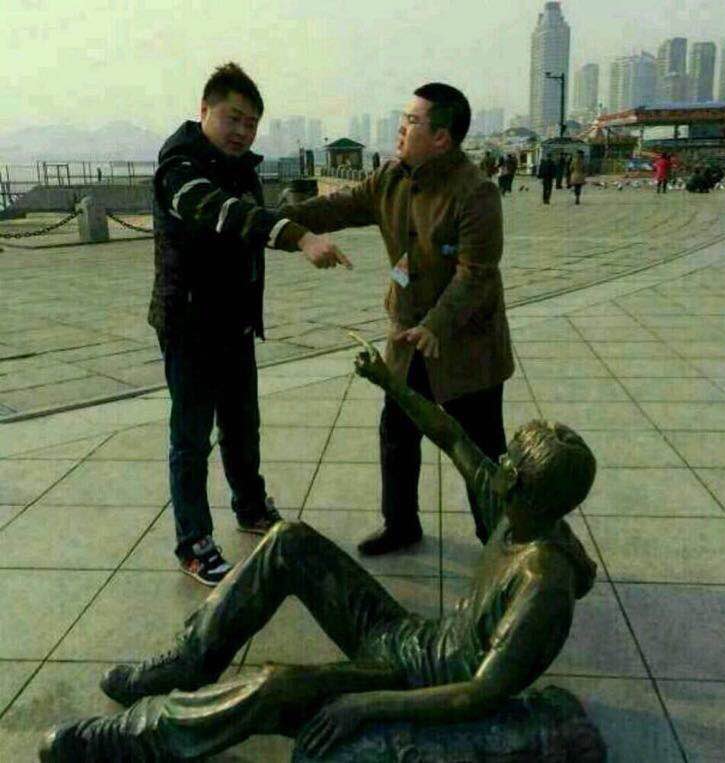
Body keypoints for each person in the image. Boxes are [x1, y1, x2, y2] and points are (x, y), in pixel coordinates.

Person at [38, 341, 599, 763]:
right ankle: (190, 659)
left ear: (521, 485)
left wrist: (364, 704)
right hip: (408, 639)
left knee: (276, 685)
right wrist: (389, 382)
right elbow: (451, 434)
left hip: (414, 684)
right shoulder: (514, 510)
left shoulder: (542, 582)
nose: (496, 463)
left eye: (507, 463)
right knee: (290, 541)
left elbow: (479, 693)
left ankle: (142, 737)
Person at [278, 83, 514, 555]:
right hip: (407, 335)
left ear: (441, 137)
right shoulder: (390, 177)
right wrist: (278, 224)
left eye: (411, 121)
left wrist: (436, 325)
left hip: (465, 343)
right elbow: (337, 207)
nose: (401, 128)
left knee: (480, 449)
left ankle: (500, 540)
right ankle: (401, 524)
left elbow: (476, 274)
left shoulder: (476, 193)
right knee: (397, 432)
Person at [148, 63, 351, 586]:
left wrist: (303, 222)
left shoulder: (240, 167)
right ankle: (193, 543)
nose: (242, 131)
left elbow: (251, 223)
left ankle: (251, 506)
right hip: (188, 325)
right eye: (233, 118)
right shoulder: (179, 167)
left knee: (242, 424)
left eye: (252, 123)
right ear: (204, 110)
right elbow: (223, 213)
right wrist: (299, 237)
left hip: (234, 324)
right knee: (191, 439)